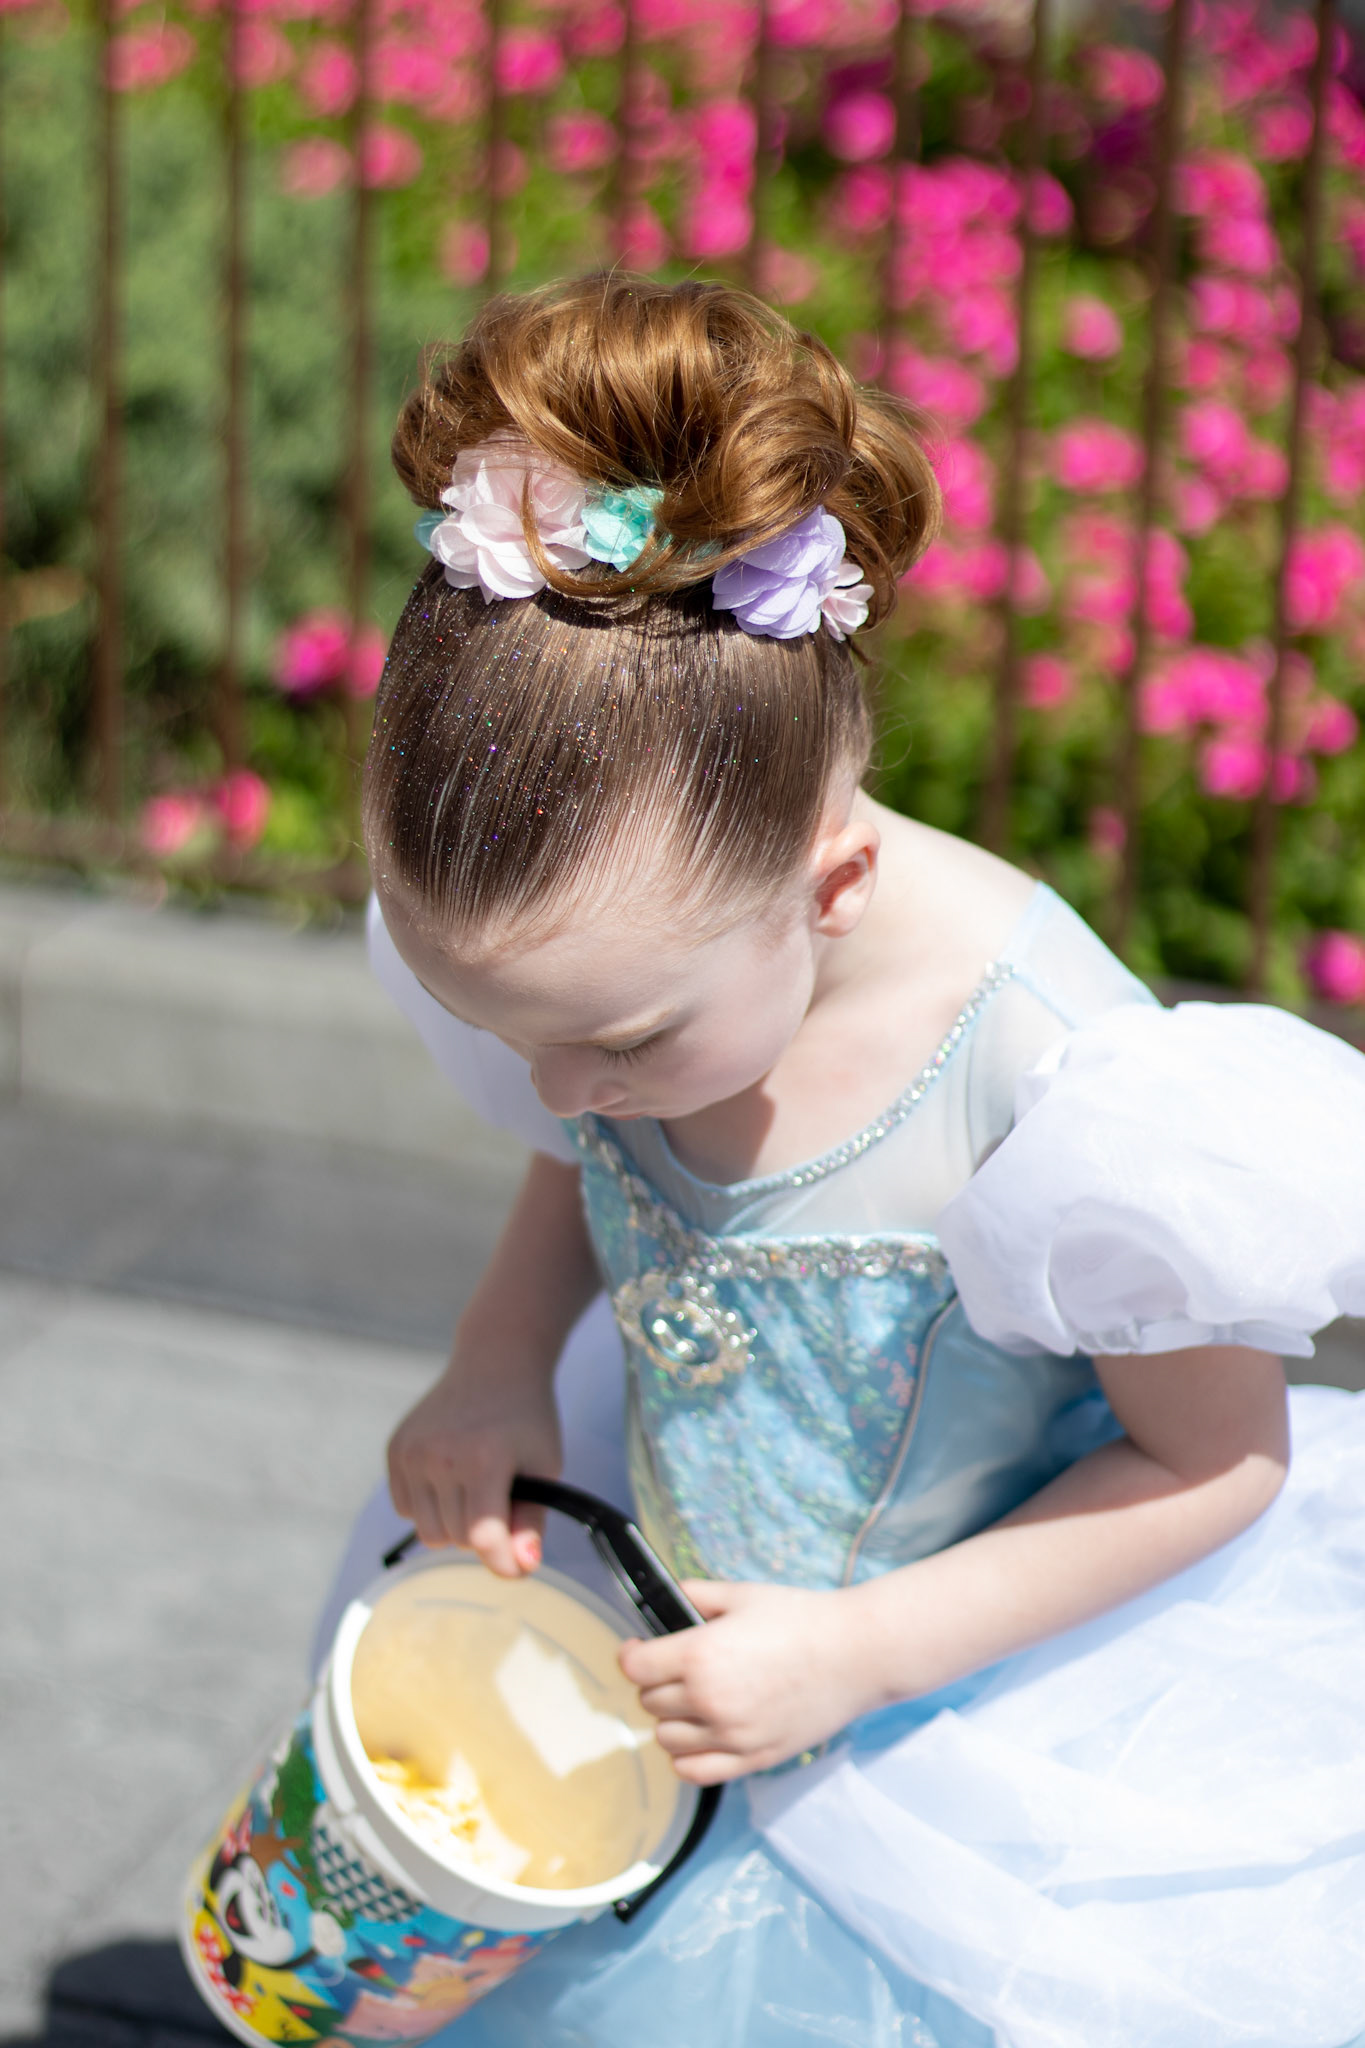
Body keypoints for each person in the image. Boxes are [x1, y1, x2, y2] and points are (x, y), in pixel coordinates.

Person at [325, 274, 1365, 2048]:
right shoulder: (617, 977)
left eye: (619, 1048)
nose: (562, 1094)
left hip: (952, 1691)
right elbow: (587, 1156)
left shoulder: (1051, 1077)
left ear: (834, 884)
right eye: (504, 1036)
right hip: (688, 1623)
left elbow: (1213, 1462)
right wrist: (500, 1360)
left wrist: (855, 1656)